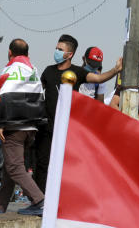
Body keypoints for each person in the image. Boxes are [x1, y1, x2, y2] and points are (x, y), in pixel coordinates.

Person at [35, 33, 121, 192]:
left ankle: (62, 195)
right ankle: (39, 200)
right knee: (42, 163)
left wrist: (115, 70)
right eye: (56, 48)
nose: (57, 51)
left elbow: (99, 79)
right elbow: (37, 92)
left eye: (60, 49)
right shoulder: (48, 71)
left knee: (66, 165)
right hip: (47, 127)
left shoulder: (77, 73)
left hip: (68, 129)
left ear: (70, 54)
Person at [0, 38, 46, 216]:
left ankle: (40, 201)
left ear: (9, 52)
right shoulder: (33, 70)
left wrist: (1, 123)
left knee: (14, 168)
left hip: (14, 127)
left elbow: (2, 96)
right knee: (10, 166)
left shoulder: (10, 69)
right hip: (31, 127)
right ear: (27, 53)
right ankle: (0, 207)